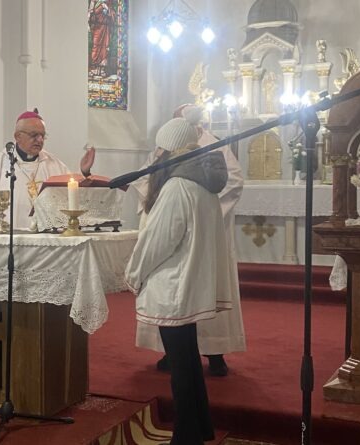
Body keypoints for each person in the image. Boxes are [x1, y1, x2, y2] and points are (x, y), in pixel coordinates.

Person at [125, 117, 231, 445]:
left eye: (160, 148)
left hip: (172, 286)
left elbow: (158, 240)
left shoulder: (177, 186)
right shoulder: (203, 182)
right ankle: (200, 427)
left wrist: (134, 274)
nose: (157, 154)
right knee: (189, 362)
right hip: (189, 283)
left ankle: (186, 436)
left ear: (169, 149)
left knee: (182, 369)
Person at [133, 104, 245, 377]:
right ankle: (172, 354)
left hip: (188, 243)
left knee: (184, 304)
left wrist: (200, 216)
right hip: (186, 233)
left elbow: (233, 182)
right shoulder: (170, 156)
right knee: (181, 331)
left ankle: (215, 352)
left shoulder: (212, 148)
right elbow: (147, 177)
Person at [0, 110, 96, 230]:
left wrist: (84, 173)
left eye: (42, 135)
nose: (40, 140)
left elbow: (73, 194)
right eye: (34, 135)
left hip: (47, 239)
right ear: (17, 136)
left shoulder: (54, 165)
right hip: (10, 239)